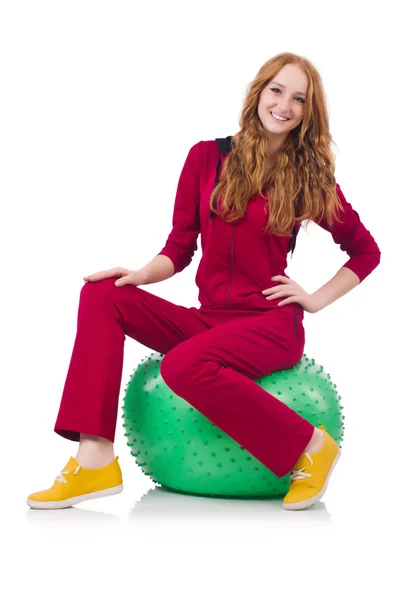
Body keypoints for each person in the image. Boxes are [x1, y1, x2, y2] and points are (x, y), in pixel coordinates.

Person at [27, 52, 381, 512]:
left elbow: (366, 251)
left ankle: (311, 447)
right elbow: (179, 247)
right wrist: (138, 275)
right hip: (210, 320)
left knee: (180, 367)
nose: (284, 105)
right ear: (259, 93)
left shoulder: (310, 179)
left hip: (269, 327)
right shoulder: (206, 157)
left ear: (307, 113)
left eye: (299, 99)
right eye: (277, 91)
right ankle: (94, 458)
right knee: (101, 295)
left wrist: (313, 299)